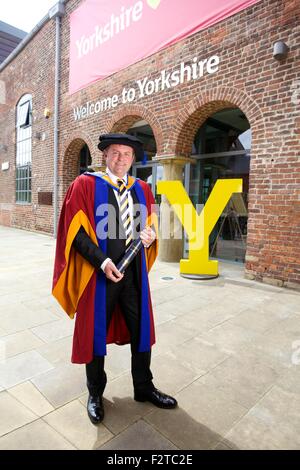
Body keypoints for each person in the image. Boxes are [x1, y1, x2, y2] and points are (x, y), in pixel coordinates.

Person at [52, 133, 177, 425]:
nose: (121, 159)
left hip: (133, 275)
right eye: (115, 153)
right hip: (99, 275)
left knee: (141, 331)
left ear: (133, 159)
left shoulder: (143, 188)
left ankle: (144, 387)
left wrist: (150, 234)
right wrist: (102, 261)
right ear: (105, 156)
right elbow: (75, 233)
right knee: (95, 334)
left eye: (127, 154)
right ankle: (95, 393)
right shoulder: (85, 185)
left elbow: (151, 222)